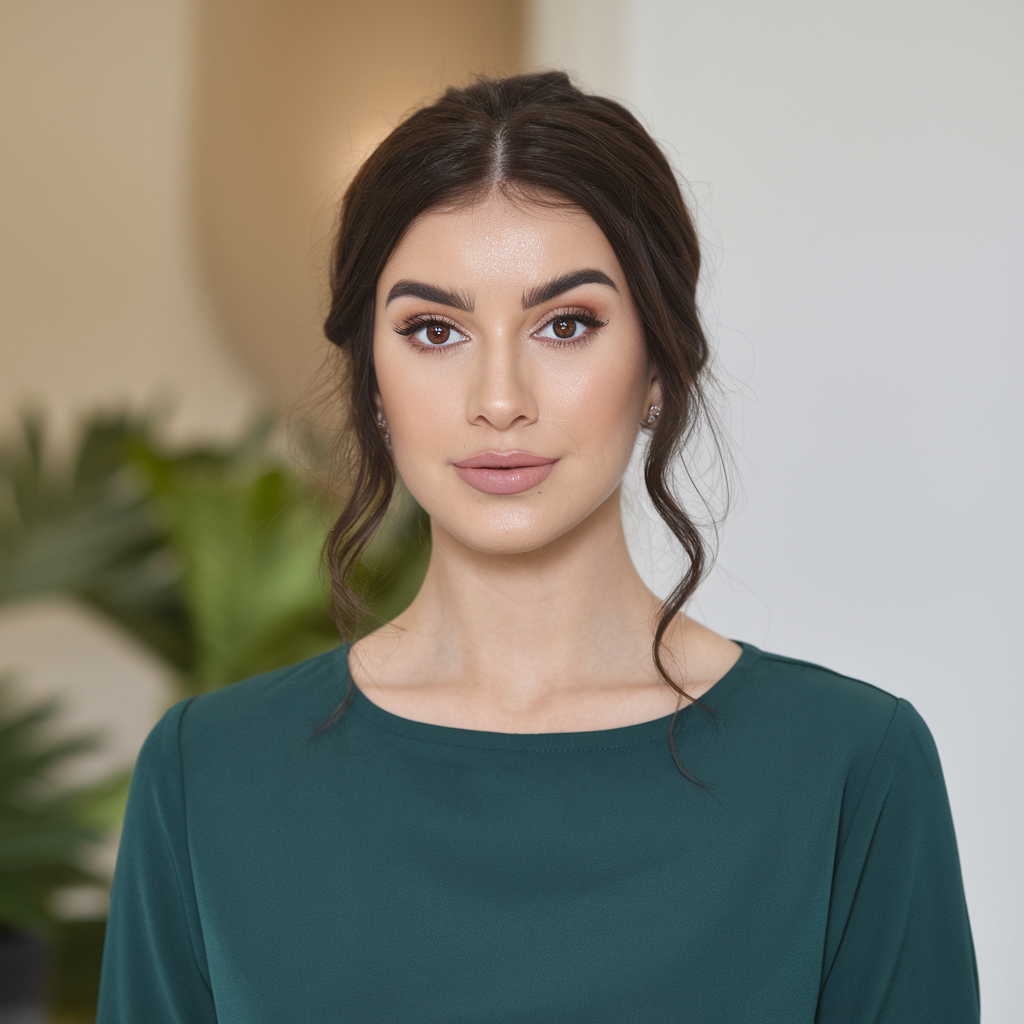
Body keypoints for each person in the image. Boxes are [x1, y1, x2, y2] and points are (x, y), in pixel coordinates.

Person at [96, 72, 979, 1022]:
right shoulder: (209, 775)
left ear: (657, 365)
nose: (500, 397)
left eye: (567, 324)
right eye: (435, 330)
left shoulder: (851, 768)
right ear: (374, 384)